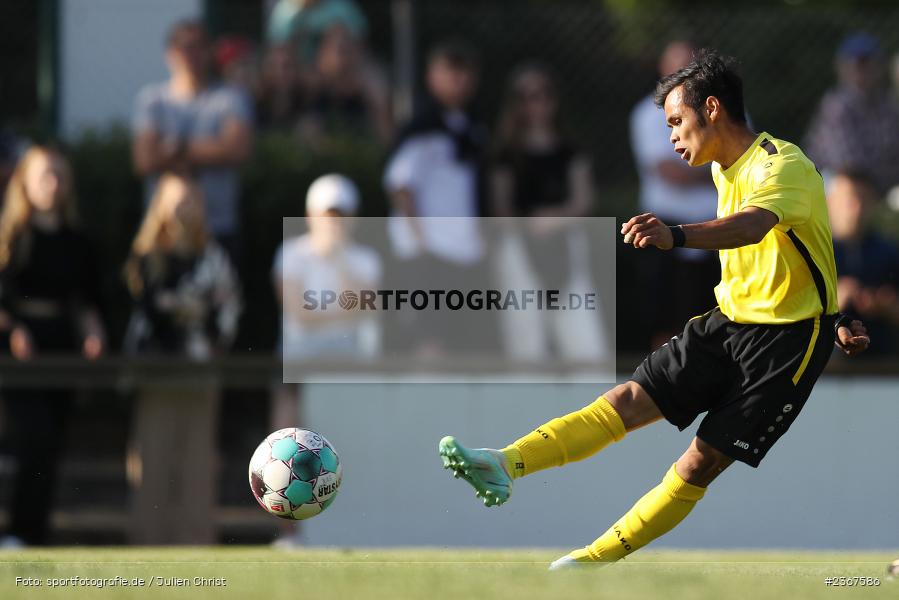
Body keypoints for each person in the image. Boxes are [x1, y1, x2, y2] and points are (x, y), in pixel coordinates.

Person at [438, 50, 870, 569]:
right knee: (623, 400)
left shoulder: (783, 164)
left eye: (676, 121)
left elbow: (754, 227)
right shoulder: (724, 169)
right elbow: (799, 251)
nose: (672, 136)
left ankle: (588, 564)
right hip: (728, 322)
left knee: (698, 463)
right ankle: (504, 463)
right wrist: (836, 313)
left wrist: (675, 235)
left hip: (785, 343)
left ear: (712, 108)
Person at [123, 172, 240, 544]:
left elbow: (227, 309)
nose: (181, 209)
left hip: (200, 369)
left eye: (188, 200)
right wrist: (186, 308)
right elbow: (150, 308)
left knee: (197, 459)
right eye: (173, 201)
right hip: (155, 370)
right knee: (152, 457)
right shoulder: (146, 258)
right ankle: (147, 540)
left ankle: (196, 541)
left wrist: (205, 329)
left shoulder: (215, 257)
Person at [0, 146, 106, 547]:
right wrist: (14, 328)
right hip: (18, 353)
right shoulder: (10, 237)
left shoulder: (77, 241)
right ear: (25, 182)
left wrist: (93, 333)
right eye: (44, 175)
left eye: (59, 175)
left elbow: (87, 300)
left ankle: (34, 533)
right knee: (34, 437)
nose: (53, 184)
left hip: (61, 348)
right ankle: (16, 530)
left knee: (52, 445)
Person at [489, 62, 607, 362]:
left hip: (566, 246)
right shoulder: (506, 153)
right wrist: (528, 226)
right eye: (527, 97)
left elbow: (584, 200)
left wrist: (555, 219)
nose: (536, 103)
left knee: (585, 341)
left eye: (543, 94)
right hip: (519, 248)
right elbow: (501, 208)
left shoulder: (570, 149)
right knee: (526, 342)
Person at [383, 40, 487, 355]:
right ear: (432, 76)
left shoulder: (471, 126)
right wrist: (420, 241)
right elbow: (401, 186)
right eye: (451, 70)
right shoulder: (421, 126)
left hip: (462, 250)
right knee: (428, 338)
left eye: (465, 71)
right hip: (428, 251)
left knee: (460, 338)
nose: (459, 79)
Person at [132, 20, 253, 262]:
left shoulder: (231, 98)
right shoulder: (151, 101)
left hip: (218, 227)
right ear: (169, 54)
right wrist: (212, 148)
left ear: (209, 52)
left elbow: (236, 150)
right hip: (165, 229)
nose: (191, 55)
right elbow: (145, 160)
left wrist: (177, 148)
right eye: (183, 47)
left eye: (198, 47)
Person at [630, 40, 720, 348]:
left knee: (717, 324)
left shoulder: (721, 108)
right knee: (666, 324)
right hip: (665, 229)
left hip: (716, 230)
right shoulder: (646, 114)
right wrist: (715, 168)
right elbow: (671, 173)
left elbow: (741, 158)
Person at [804, 33, 899, 195]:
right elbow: (848, 165)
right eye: (856, 66)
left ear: (880, 68)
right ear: (841, 68)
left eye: (867, 66)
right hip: (828, 183)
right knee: (847, 185)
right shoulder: (836, 106)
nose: (861, 73)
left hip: (879, 184)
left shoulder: (888, 105)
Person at [827, 169, 899, 356]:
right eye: (849, 200)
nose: (857, 208)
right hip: (826, 367)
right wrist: (832, 301)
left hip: (882, 365)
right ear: (830, 202)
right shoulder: (812, 251)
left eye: (864, 199)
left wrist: (888, 307)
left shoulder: (890, 252)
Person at [301, 25, 391, 145]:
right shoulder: (313, 92)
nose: (344, 58)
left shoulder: (368, 93)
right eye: (340, 50)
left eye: (349, 50)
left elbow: (386, 136)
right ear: (323, 55)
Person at [266, 0, 368, 65]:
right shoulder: (284, 13)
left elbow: (360, 46)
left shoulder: (342, 9)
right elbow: (278, 53)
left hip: (338, 74)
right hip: (298, 74)